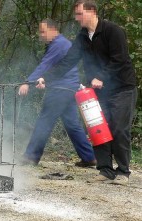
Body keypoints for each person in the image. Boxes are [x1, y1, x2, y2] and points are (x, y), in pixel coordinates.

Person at [37, 0, 137, 185]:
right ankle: (105, 170)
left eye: (79, 14)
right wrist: (46, 77)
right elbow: (68, 61)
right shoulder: (83, 37)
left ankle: (123, 171)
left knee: (118, 129)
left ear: (92, 12)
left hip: (122, 89)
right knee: (97, 126)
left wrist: (101, 77)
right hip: (100, 92)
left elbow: (120, 60)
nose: (76, 18)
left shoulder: (113, 31)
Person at [18, 18, 96, 167]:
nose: (41, 35)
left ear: (53, 29)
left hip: (61, 89)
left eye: (43, 31)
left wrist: (28, 82)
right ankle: (89, 157)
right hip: (69, 88)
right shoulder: (60, 43)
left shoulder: (59, 44)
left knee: (44, 122)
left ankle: (31, 157)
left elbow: (44, 65)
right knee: (72, 124)